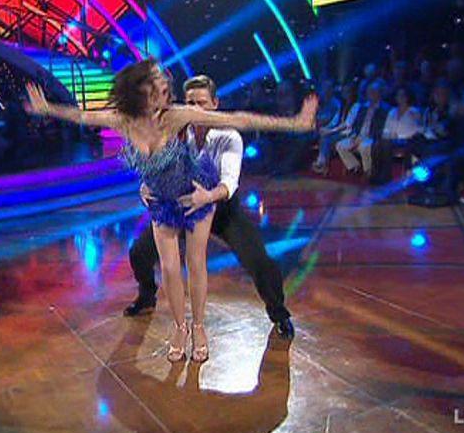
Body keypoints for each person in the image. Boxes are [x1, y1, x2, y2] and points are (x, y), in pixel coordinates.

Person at [24, 60, 317, 363]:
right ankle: (167, 316)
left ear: (213, 103)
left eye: (201, 103)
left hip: (209, 199)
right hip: (167, 203)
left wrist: (295, 124)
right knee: (156, 262)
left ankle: (243, 320)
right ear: (144, 90)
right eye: (158, 79)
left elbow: (238, 124)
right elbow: (84, 116)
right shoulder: (133, 120)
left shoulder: (196, 124)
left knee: (227, 261)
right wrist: (48, 108)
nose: (168, 84)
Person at [123, 75, 295, 340]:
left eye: (201, 103)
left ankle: (279, 313)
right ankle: (147, 296)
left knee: (259, 261)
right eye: (190, 103)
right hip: (184, 209)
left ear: (215, 103)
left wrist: (208, 196)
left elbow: (229, 183)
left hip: (221, 208)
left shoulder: (229, 137)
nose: (195, 109)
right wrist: (146, 188)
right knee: (139, 252)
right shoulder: (176, 133)